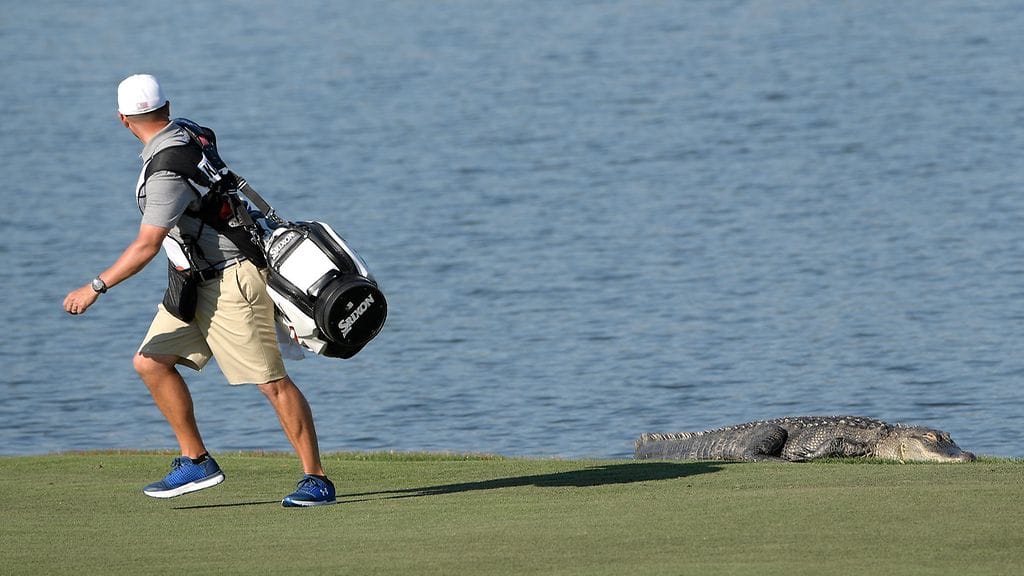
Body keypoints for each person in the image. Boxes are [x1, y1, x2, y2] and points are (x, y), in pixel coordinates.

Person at [62, 74, 336, 507]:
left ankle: (317, 480)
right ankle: (197, 461)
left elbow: (146, 245)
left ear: (122, 120)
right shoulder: (191, 130)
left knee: (271, 382)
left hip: (231, 281)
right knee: (151, 361)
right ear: (167, 109)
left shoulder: (165, 174)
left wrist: (95, 286)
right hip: (195, 279)